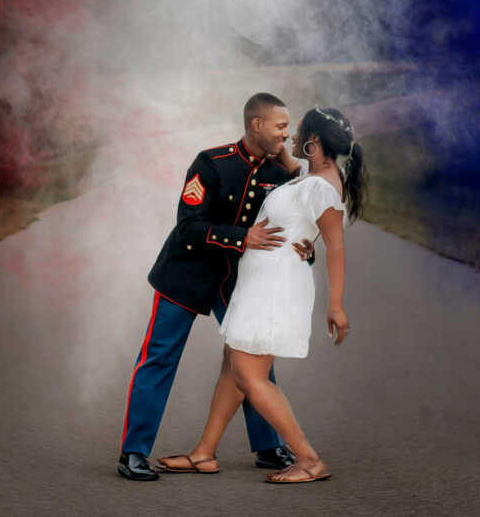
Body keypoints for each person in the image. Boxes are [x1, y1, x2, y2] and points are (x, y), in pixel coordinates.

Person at [155, 106, 364, 483]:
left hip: (276, 288)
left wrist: (336, 304)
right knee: (233, 367)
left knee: (251, 376)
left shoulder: (321, 186)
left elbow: (335, 245)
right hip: (259, 283)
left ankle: (309, 459)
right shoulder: (308, 176)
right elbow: (288, 168)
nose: (290, 138)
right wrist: (271, 139)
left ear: (314, 144)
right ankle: (204, 453)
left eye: (297, 133)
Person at [117, 93, 316, 481]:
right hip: (184, 277)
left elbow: (301, 226)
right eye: (279, 126)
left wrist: (306, 249)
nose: (285, 133)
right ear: (255, 124)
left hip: (239, 283)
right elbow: (188, 227)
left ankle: (268, 446)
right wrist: (243, 237)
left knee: (254, 359)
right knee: (158, 359)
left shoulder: (280, 175)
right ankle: (134, 452)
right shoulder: (211, 162)